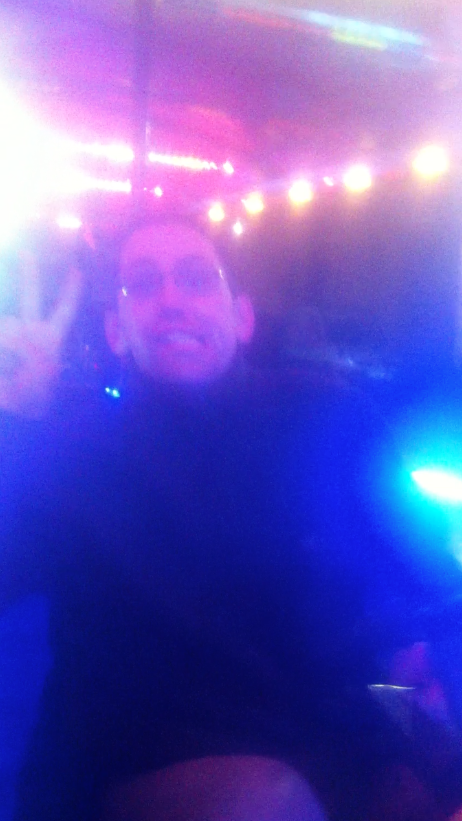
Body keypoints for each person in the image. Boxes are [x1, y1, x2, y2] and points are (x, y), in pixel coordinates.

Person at [0, 218, 448, 821]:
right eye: (143, 284)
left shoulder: (324, 412)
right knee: (264, 801)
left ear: (242, 318)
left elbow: (414, 571)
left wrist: (413, 674)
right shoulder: (73, 449)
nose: (171, 299)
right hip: (137, 759)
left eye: (195, 279)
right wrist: (15, 420)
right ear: (116, 331)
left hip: (330, 729)